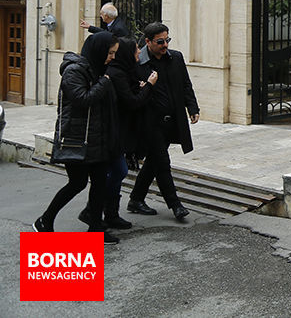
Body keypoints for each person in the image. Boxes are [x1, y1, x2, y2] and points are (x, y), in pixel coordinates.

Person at [34, 32, 121, 244]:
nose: (112, 57)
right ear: (99, 51)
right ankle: (45, 220)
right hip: (77, 138)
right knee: (77, 183)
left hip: (96, 138)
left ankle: (95, 229)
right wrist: (104, 82)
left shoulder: (98, 69)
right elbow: (82, 99)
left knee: (100, 183)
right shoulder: (74, 71)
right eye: (110, 53)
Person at [127, 22, 199, 221]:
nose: (165, 45)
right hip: (149, 123)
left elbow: (186, 85)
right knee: (162, 162)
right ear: (148, 42)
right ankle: (175, 205)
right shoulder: (138, 63)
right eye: (160, 42)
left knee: (154, 161)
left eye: (167, 40)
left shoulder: (176, 58)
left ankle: (136, 199)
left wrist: (193, 107)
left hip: (171, 120)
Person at [97, 36, 155, 229]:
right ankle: (95, 212)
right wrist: (149, 86)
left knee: (116, 172)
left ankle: (108, 214)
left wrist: (140, 87)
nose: (139, 52)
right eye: (136, 49)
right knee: (116, 171)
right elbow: (132, 102)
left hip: (120, 131)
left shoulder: (125, 71)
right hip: (113, 132)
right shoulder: (116, 74)